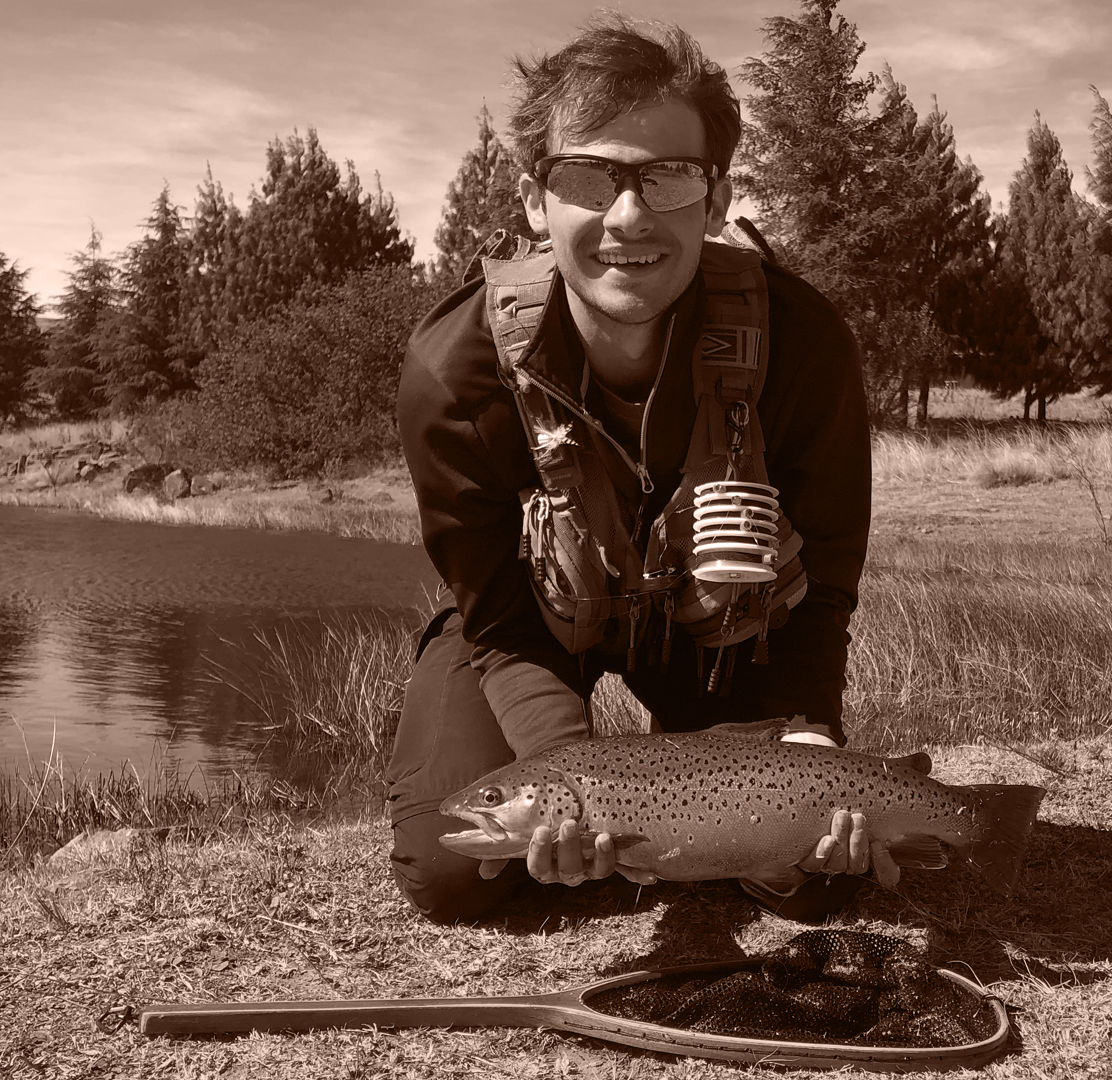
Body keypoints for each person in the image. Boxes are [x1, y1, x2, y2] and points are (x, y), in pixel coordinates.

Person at [387, 15, 889, 925]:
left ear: (716, 193)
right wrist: (575, 791)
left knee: (806, 873)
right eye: (588, 177)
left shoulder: (806, 345)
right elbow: (494, 613)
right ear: (535, 200)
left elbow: (824, 582)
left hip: (720, 636)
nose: (628, 217)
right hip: (530, 632)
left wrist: (808, 727)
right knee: (453, 868)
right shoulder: (451, 373)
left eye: (667, 176)